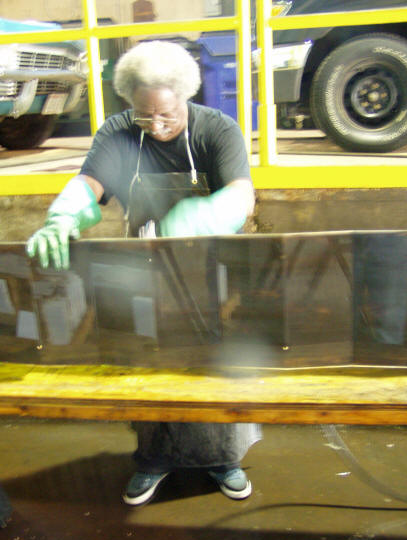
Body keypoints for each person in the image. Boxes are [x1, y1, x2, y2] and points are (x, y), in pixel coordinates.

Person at [26, 40, 261, 506]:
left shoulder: (216, 130)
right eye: (144, 115)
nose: (154, 126)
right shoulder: (117, 132)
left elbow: (241, 194)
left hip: (205, 265)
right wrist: (64, 215)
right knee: (146, 361)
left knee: (207, 362)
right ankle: (153, 459)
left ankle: (223, 459)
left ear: (185, 98)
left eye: (166, 116)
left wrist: (199, 217)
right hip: (141, 268)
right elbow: (90, 184)